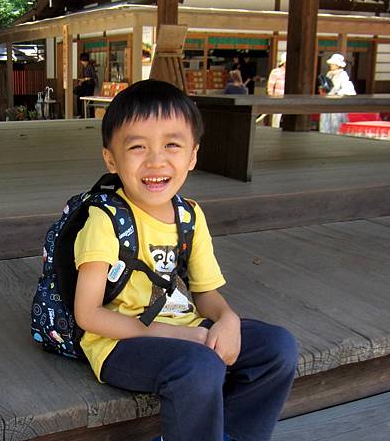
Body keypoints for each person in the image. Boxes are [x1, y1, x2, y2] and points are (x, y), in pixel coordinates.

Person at [73, 80, 298, 441]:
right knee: (201, 365)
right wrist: (174, 334)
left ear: (192, 155)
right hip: (117, 343)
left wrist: (228, 319)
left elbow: (205, 293)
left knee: (278, 348)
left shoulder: (190, 216)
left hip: (185, 331)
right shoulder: (106, 220)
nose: (156, 160)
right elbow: (88, 315)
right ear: (111, 159)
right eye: (137, 147)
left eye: (172, 145)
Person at [319, 53, 356, 135]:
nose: (331, 65)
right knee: (325, 123)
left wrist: (337, 93)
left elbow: (348, 89)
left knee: (335, 124)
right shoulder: (329, 74)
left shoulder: (343, 75)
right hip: (327, 100)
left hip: (336, 102)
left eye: (333, 63)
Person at [74, 52, 98, 117]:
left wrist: (85, 79)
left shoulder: (90, 66)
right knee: (79, 97)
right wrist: (81, 81)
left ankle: (92, 115)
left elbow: (94, 77)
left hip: (90, 86)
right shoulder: (84, 66)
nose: (81, 62)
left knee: (90, 100)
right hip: (84, 85)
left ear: (85, 60)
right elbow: (84, 76)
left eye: (82, 60)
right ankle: (80, 114)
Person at [267, 52, 286, 128]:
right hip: (278, 98)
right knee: (276, 118)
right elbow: (270, 86)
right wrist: (271, 97)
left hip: (289, 98)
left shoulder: (292, 72)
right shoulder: (275, 72)